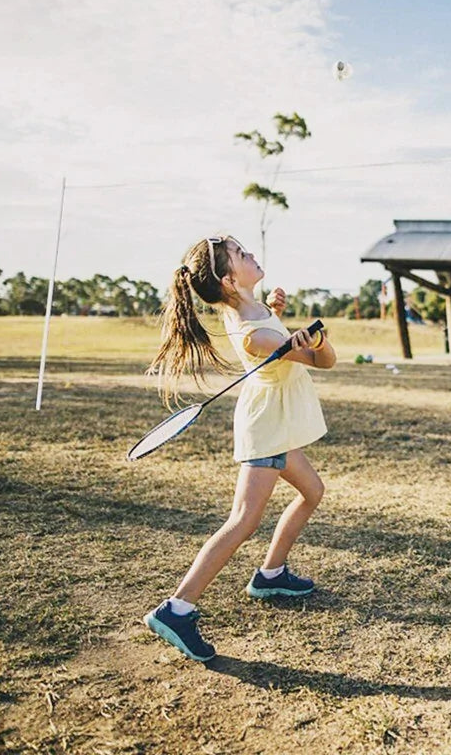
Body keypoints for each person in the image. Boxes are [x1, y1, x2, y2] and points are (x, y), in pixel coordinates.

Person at [143, 235, 337, 661]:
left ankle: (271, 574)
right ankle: (177, 608)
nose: (251, 254)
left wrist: (277, 315)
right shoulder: (254, 334)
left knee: (313, 492)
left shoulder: (252, 310)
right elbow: (326, 363)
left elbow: (263, 326)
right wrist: (316, 344)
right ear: (229, 279)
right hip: (267, 428)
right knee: (243, 520)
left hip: (276, 423)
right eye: (241, 254)